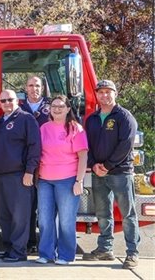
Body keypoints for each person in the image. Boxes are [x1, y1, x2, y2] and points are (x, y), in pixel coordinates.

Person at [83, 80, 140, 269]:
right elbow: (87, 145)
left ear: (115, 94)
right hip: (99, 173)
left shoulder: (124, 117)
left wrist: (107, 166)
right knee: (103, 213)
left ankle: (132, 253)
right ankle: (105, 249)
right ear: (97, 95)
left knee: (128, 215)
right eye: (101, 92)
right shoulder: (91, 119)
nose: (105, 95)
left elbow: (125, 145)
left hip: (121, 173)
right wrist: (94, 164)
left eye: (109, 92)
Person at [36, 95, 88, 265]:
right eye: (53, 106)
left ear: (67, 109)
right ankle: (46, 254)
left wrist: (79, 181)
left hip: (67, 180)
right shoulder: (43, 128)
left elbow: (83, 156)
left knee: (66, 220)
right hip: (45, 180)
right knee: (44, 219)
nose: (56, 109)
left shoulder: (75, 128)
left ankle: (65, 255)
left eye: (60, 106)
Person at [0, 89, 41, 262]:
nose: (6, 103)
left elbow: (35, 147)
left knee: (20, 216)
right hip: (1, 176)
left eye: (9, 100)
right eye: (3, 100)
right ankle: (9, 248)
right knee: (5, 215)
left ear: (17, 101)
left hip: (19, 175)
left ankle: (19, 252)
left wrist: (29, 171)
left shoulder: (26, 119)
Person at [19, 76, 50, 253]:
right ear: (25, 88)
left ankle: (47, 242)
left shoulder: (52, 107)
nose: (34, 89)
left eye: (37, 85)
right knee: (28, 206)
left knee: (46, 206)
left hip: (47, 163)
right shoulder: (19, 108)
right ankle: (30, 241)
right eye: (30, 85)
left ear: (42, 88)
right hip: (26, 164)